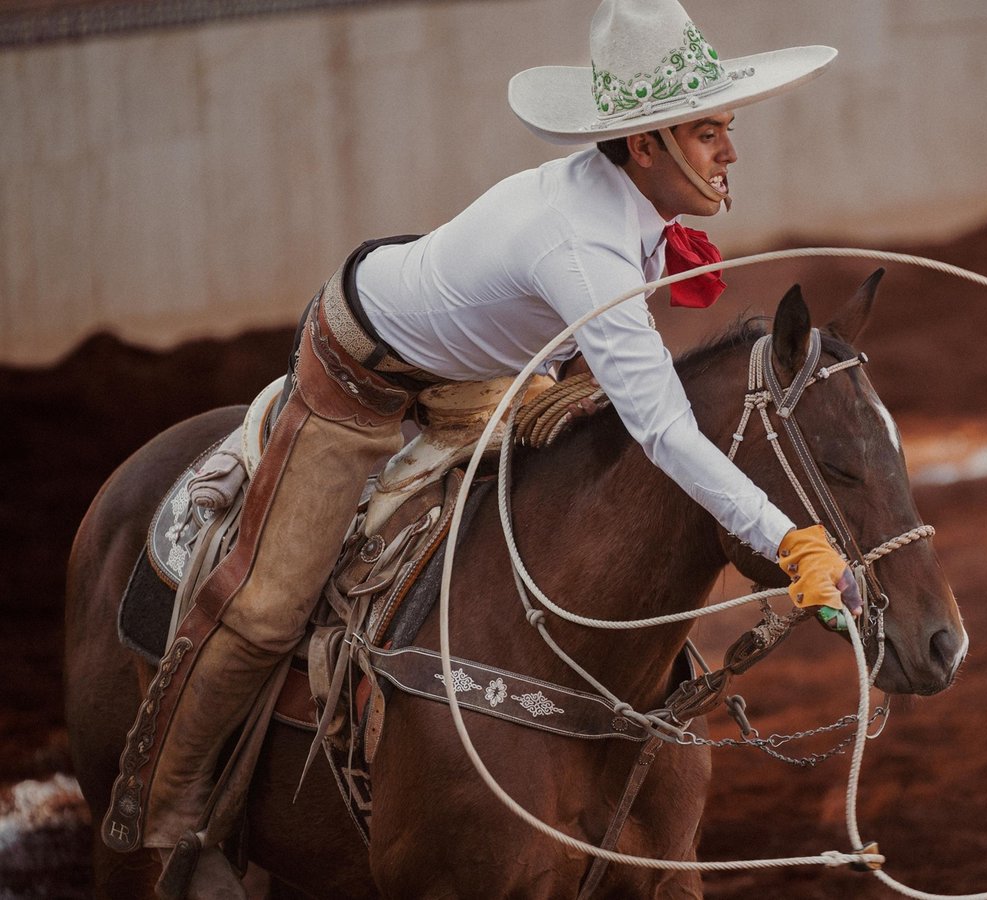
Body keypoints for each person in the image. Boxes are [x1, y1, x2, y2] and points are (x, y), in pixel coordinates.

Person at [104, 0, 856, 893]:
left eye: (724, 127)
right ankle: (170, 811)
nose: (729, 149)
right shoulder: (582, 242)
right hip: (362, 374)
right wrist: (788, 538)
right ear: (645, 146)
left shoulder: (629, 206)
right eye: (705, 132)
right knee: (267, 602)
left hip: (490, 368)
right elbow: (663, 428)